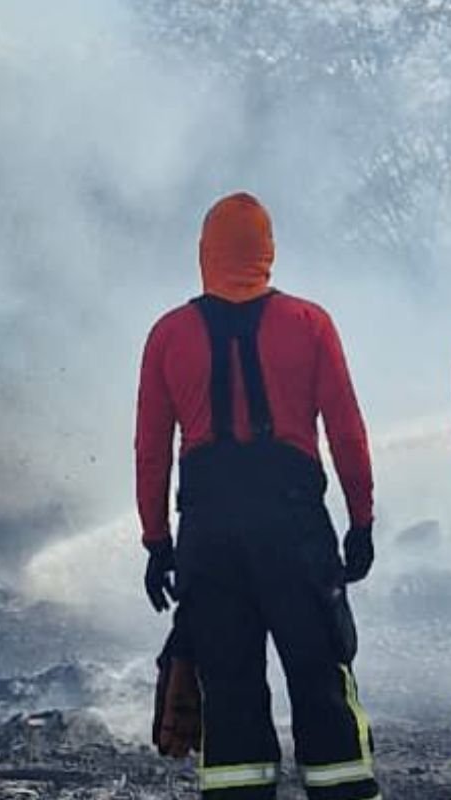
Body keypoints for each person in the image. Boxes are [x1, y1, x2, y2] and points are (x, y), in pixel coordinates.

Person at [135, 192, 381, 800]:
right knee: (322, 680)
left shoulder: (169, 335)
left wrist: (157, 543)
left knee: (231, 692)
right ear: (268, 253)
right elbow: (347, 431)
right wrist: (361, 520)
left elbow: (150, 450)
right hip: (295, 532)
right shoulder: (309, 323)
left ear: (204, 254)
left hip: (209, 539)